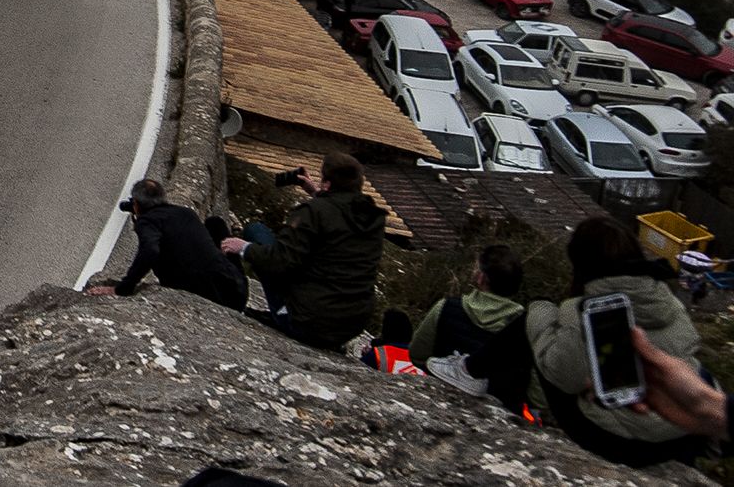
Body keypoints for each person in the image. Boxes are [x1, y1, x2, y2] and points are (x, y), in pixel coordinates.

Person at [527, 215, 703, 465]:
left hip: (623, 444)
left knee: (534, 321)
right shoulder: (668, 302)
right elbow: (690, 344)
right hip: (682, 433)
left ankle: (477, 375)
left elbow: (564, 377)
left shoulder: (582, 311)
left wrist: (540, 308)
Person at [221, 153, 386, 352]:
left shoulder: (312, 212)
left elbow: (280, 261)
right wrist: (319, 195)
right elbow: (339, 225)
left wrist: (244, 248)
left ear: (327, 183)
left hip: (306, 322)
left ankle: (248, 302)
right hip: (348, 327)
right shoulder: (372, 217)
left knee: (256, 232)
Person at [86, 178, 248, 309]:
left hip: (216, 299)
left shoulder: (148, 221)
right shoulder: (186, 213)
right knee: (214, 222)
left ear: (135, 204)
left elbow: (150, 250)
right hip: (238, 288)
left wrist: (122, 289)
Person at [409, 244, 531, 411]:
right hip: (503, 410)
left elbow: (417, 353)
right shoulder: (527, 327)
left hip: (442, 401)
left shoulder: (445, 307)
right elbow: (535, 389)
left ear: (481, 278)